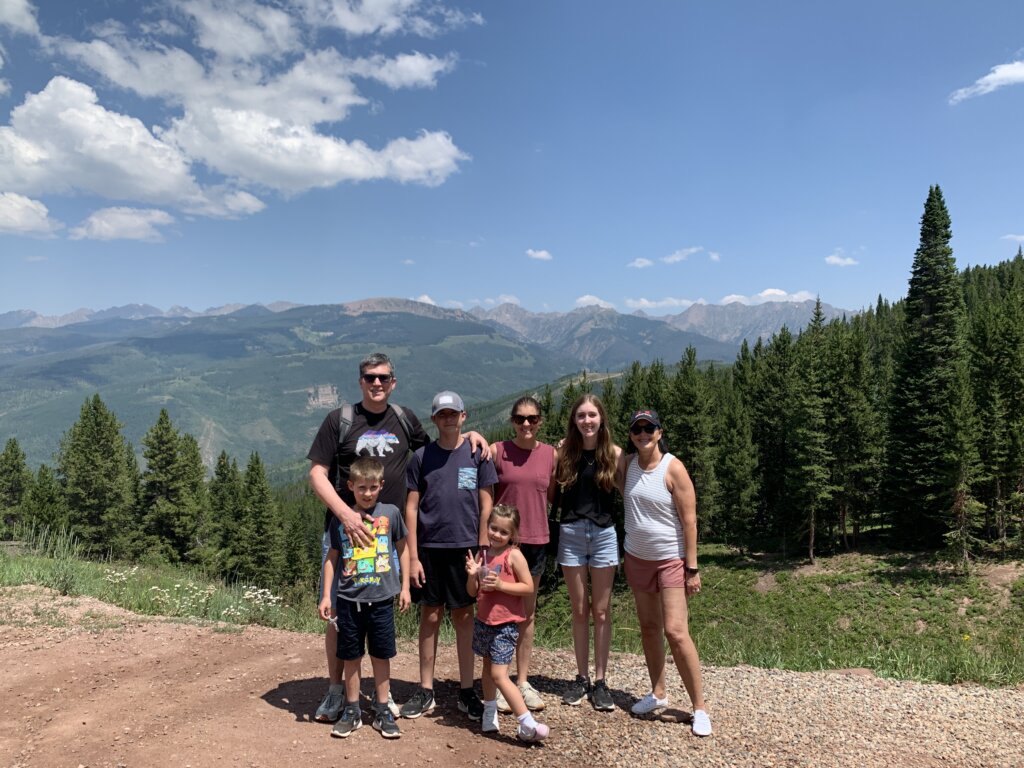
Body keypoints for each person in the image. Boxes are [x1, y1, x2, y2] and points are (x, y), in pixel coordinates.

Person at [307, 353, 489, 723]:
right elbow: (316, 474)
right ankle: (336, 690)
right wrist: (344, 514)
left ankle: (379, 692)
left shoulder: (404, 418)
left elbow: (439, 448)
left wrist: (469, 435)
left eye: (383, 377)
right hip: (345, 533)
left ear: (393, 382)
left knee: (377, 613)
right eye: (370, 377)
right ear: (360, 381)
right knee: (340, 613)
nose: (377, 383)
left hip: (388, 537)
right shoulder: (340, 420)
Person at [400, 391, 498, 721]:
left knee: (464, 616)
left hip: (466, 548)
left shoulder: (477, 454)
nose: (448, 419)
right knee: (430, 616)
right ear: (434, 419)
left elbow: (486, 501)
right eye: (442, 414)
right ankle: (425, 689)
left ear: (463, 416)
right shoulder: (421, 457)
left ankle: (466, 690)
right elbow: (411, 508)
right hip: (429, 548)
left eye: (453, 413)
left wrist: (483, 542)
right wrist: (413, 557)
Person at [619, 408, 712, 737]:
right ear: (631, 435)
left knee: (675, 631)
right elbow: (597, 449)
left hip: (670, 560)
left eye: (649, 428)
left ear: (660, 432)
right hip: (637, 558)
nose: (643, 434)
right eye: (637, 429)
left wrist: (692, 568)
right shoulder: (626, 464)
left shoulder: (674, 468)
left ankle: (699, 707)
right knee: (648, 627)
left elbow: (690, 522)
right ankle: (657, 693)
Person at [319, 457, 411, 739]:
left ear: (381, 485)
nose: (367, 493)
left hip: (382, 599)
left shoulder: (391, 514)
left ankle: (382, 710)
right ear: (351, 486)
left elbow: (403, 549)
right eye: (362, 488)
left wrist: (406, 587)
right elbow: (332, 559)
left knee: (381, 655)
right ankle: (352, 710)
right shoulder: (341, 518)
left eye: (372, 487)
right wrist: (326, 596)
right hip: (349, 600)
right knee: (351, 656)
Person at [551, 393, 622, 711]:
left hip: (604, 534)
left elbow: (629, 492)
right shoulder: (564, 453)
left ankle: (601, 680)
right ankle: (582, 677)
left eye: (592, 415)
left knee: (602, 611)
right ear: (574, 420)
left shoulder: (614, 455)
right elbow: (551, 493)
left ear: (601, 418)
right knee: (580, 610)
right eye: (581, 415)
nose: (587, 420)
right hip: (571, 534)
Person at [488, 396, 555, 713]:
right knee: (499, 613)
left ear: (540, 421)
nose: (526, 424)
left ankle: (523, 680)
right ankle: (499, 680)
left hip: (536, 540)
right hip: (503, 543)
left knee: (527, 613)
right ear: (512, 421)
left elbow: (551, 494)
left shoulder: (551, 455)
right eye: (520, 419)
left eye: (532, 418)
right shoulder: (497, 451)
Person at [466, 504, 550, 742]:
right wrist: (472, 575)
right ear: (487, 526)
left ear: (513, 534)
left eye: (504, 532)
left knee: (499, 674)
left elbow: (528, 587)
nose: (497, 535)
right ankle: (489, 710)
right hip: (484, 622)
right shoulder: (482, 555)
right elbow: (472, 592)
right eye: (493, 528)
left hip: (506, 625)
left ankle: (527, 722)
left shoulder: (514, 555)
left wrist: (501, 585)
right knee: (487, 668)